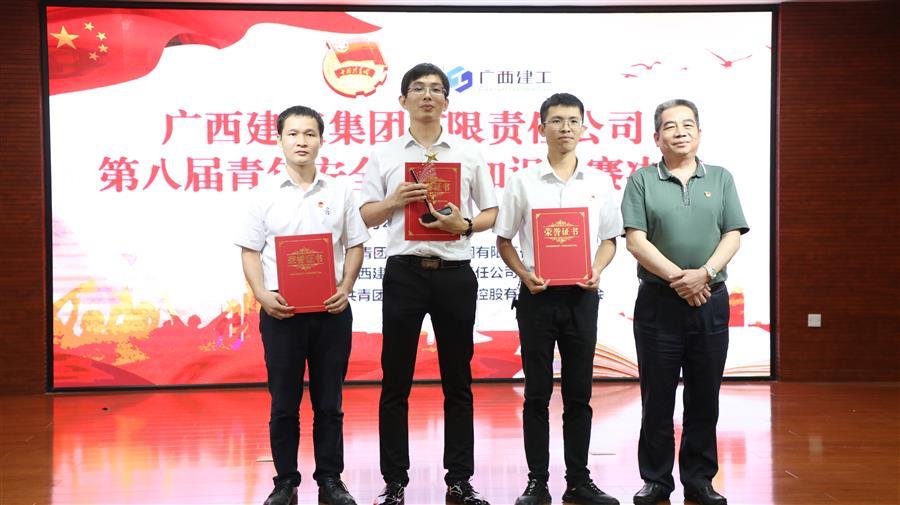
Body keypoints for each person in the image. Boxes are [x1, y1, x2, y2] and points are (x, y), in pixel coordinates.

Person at [359, 63, 498, 505]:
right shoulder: (384, 155)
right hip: (404, 274)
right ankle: (394, 481)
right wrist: (392, 201)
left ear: (446, 102)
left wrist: (466, 224)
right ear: (402, 100)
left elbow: (492, 211)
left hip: (455, 274)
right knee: (395, 380)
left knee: (458, 381)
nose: (427, 96)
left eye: (436, 89)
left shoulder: (469, 153)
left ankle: (459, 480)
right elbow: (365, 216)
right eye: (417, 89)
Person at [235, 105, 369, 505]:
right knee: (284, 403)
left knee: (330, 402)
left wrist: (346, 286)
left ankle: (330, 480)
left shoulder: (340, 192)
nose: (301, 142)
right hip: (282, 313)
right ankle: (285, 482)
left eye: (309, 134)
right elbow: (249, 251)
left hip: (331, 311)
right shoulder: (262, 194)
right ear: (279, 140)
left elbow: (355, 244)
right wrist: (262, 295)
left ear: (321, 141)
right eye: (293, 134)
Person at [494, 93, 623, 505]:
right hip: (537, 297)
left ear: (584, 128)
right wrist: (523, 274)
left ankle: (579, 480)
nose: (565, 128)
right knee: (536, 393)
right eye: (556, 120)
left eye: (572, 121)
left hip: (582, 298)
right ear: (541, 127)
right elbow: (503, 239)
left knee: (579, 393)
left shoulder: (599, 182)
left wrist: (597, 269)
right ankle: (537, 482)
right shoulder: (522, 181)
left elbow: (610, 239)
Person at [621, 99, 749, 505]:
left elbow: (732, 234)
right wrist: (681, 279)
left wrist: (704, 274)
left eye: (688, 125)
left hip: (710, 299)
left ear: (699, 132)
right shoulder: (642, 180)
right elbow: (636, 241)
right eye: (670, 126)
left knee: (704, 395)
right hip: (659, 302)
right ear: (656, 137)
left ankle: (699, 478)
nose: (680, 132)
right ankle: (656, 480)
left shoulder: (721, 178)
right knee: (656, 396)